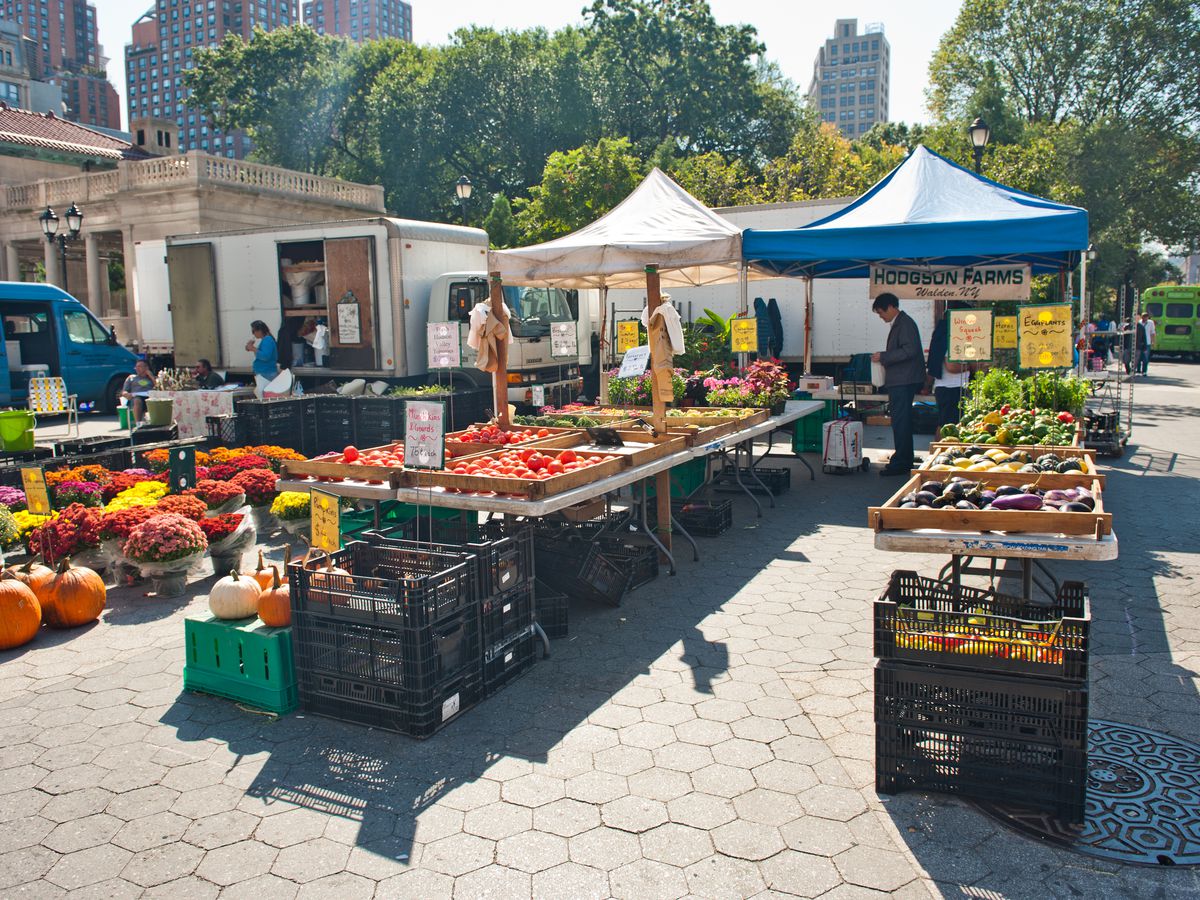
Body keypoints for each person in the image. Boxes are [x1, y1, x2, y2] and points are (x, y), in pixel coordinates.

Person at [871, 293, 926, 476]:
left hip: (904, 380)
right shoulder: (902, 322)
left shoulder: (905, 323)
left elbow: (910, 350)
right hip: (902, 380)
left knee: (901, 421)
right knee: (900, 421)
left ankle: (902, 462)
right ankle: (902, 458)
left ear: (890, 307)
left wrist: (884, 356)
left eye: (881, 313)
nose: (881, 317)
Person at [926, 301, 971, 435]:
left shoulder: (943, 332)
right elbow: (951, 366)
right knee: (947, 426)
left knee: (946, 424)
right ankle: (938, 453)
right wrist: (972, 366)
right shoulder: (951, 335)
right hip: (951, 388)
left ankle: (938, 452)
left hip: (948, 387)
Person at [245, 320, 278, 397]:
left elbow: (265, 356)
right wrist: (251, 348)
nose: (253, 333)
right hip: (264, 372)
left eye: (254, 331)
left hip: (266, 373)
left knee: (265, 396)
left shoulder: (268, 340)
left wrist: (253, 348)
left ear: (259, 330)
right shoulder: (266, 340)